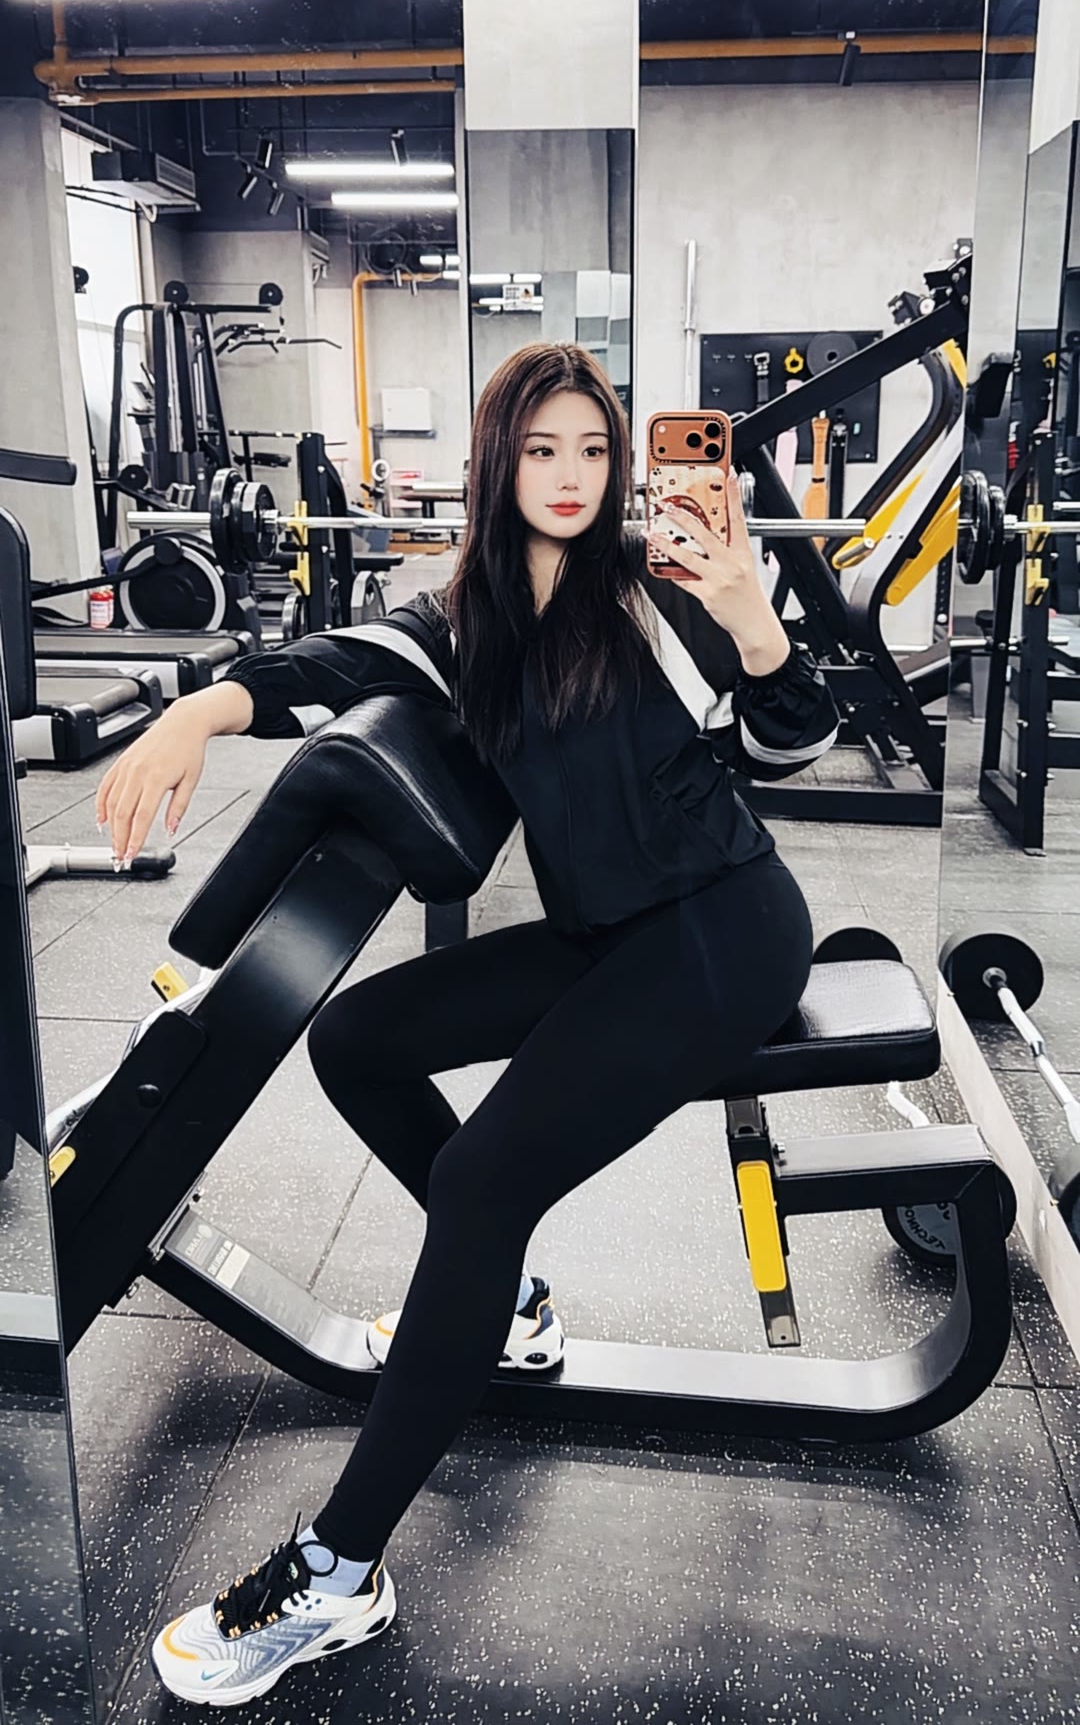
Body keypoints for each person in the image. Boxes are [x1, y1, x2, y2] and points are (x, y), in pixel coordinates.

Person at [97, 343, 838, 1709]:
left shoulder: (662, 587)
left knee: (488, 1179)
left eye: (594, 450)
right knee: (355, 1042)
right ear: (500, 461)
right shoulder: (465, 618)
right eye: (543, 449)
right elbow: (326, 665)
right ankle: (510, 1305)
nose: (572, 475)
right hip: (605, 932)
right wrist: (201, 703)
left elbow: (795, 742)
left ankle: (337, 1571)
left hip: (722, 930)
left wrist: (756, 621)